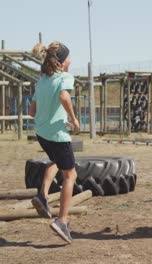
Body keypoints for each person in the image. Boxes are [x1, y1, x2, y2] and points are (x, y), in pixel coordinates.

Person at [29, 41, 80, 244]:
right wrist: (74, 119)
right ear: (61, 62)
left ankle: (42, 195)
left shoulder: (41, 81)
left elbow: (32, 111)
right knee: (70, 175)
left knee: (56, 161)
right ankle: (62, 221)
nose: (71, 60)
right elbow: (64, 96)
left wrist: (52, 116)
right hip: (58, 136)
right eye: (69, 57)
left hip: (42, 133)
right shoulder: (65, 78)